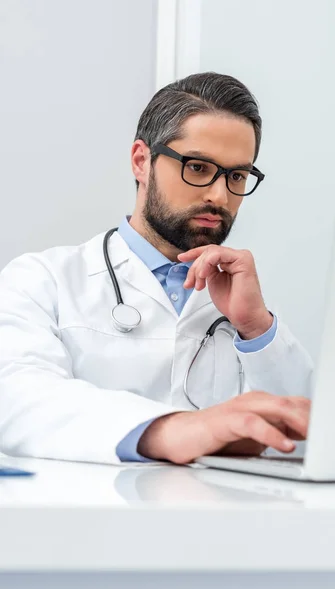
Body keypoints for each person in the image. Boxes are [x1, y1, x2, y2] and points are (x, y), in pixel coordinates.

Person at [0, 72, 313, 466]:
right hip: (92, 522)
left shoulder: (246, 303)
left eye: (236, 176)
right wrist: (175, 429)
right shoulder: (43, 280)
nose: (220, 195)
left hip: (220, 520)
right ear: (141, 161)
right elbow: (18, 398)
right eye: (198, 167)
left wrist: (257, 329)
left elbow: (309, 435)